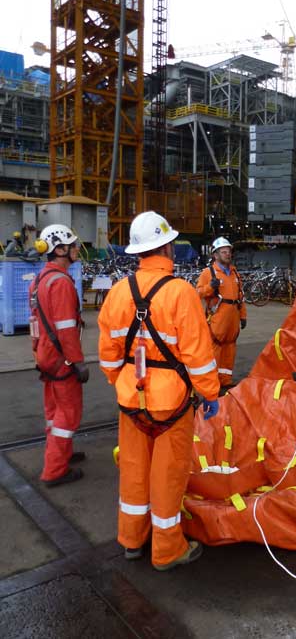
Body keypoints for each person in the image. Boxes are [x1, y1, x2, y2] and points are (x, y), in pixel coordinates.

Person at [98, 211, 220, 572]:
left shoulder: (118, 293)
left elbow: (107, 355)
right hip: (173, 406)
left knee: (134, 472)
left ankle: (132, 540)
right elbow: (198, 355)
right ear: (167, 246)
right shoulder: (181, 293)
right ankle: (167, 550)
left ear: (138, 252)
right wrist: (210, 394)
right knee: (167, 477)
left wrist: (121, 383)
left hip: (131, 402)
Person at [29, 224, 89, 487]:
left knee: (54, 411)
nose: (77, 249)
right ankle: (55, 470)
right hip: (61, 357)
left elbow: (34, 322)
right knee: (68, 412)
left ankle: (62, 453)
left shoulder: (39, 279)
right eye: (73, 245)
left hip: (45, 355)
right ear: (60, 249)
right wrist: (77, 362)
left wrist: (37, 351)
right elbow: (66, 329)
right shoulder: (61, 282)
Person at [196, 237, 247, 390]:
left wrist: (243, 316)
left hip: (232, 318)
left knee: (230, 349)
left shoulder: (234, 273)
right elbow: (197, 293)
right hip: (218, 319)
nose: (227, 254)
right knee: (215, 352)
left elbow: (240, 296)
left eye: (228, 251)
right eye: (223, 252)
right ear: (215, 255)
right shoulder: (208, 273)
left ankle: (225, 381)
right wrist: (210, 287)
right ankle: (212, 384)